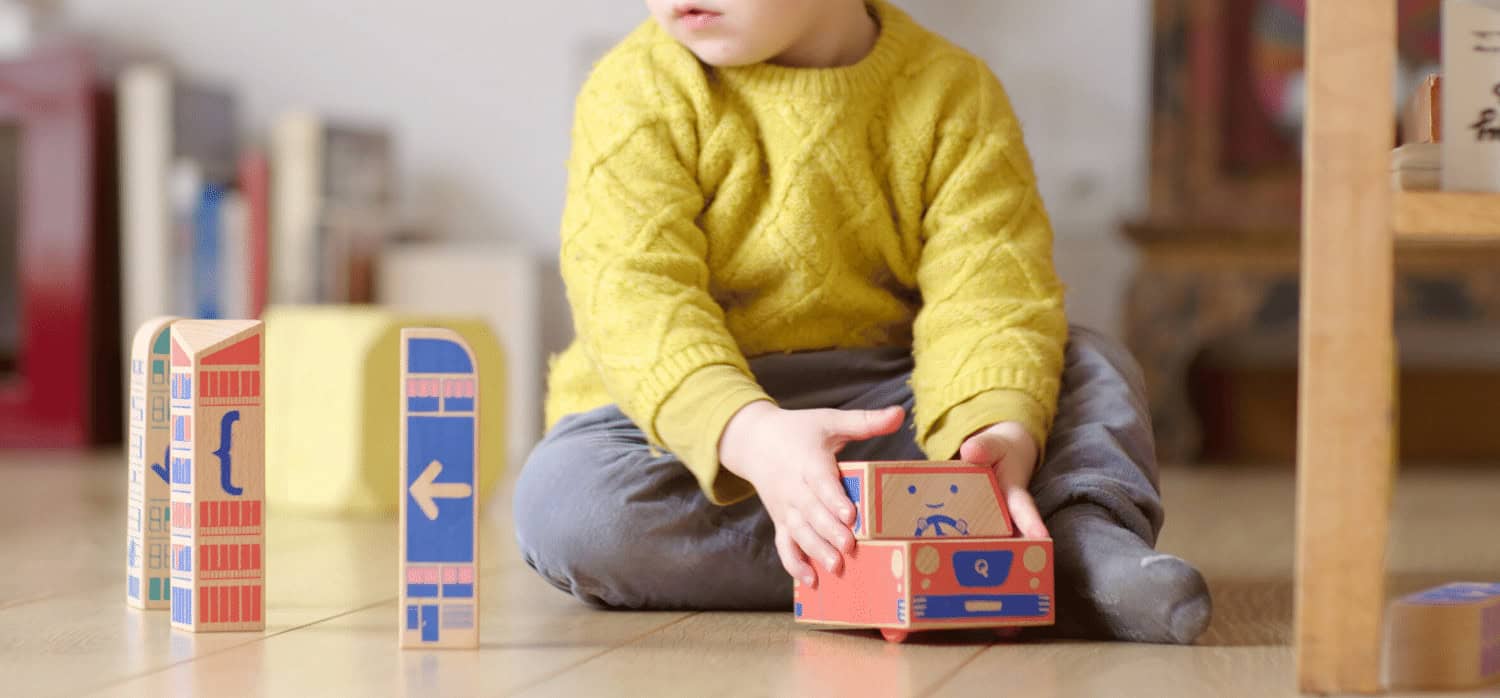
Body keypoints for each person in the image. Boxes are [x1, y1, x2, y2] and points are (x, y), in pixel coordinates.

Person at [514, 0, 1211, 644]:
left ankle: (1082, 542)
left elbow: (990, 293)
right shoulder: (637, 87)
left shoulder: (950, 93)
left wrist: (993, 432)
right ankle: (986, 565)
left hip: (890, 410)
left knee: (1088, 361)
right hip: (681, 427)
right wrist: (749, 434)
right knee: (568, 504)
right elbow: (634, 296)